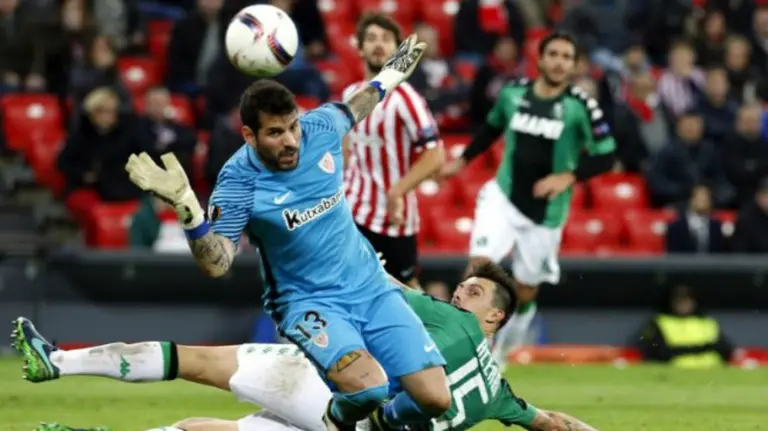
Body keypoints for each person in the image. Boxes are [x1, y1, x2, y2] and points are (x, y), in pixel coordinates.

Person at [123, 34, 451, 431]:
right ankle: (334, 426)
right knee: (367, 390)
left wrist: (391, 74)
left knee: (435, 399)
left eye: (293, 126)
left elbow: (360, 103)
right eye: (276, 133)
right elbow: (217, 263)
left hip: (370, 286)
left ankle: (378, 427)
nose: (292, 140)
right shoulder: (238, 182)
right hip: (309, 302)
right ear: (250, 136)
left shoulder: (321, 128)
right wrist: (189, 211)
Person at [13, 263, 598, 431]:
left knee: (197, 362)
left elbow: (387, 288)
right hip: (346, 424)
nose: (460, 291)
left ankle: (57, 361)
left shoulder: (446, 317)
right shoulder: (498, 393)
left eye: (474, 290)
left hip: (332, 390)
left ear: (494, 316)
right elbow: (549, 422)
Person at [440, 31, 616, 362]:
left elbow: (606, 154)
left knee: (526, 289)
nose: (559, 62)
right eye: (554, 54)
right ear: (540, 59)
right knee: (479, 267)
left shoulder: (582, 107)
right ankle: (459, 347)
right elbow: (491, 129)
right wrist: (462, 160)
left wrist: (567, 177)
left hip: (546, 213)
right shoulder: (512, 94)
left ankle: (502, 353)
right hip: (503, 196)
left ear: (574, 65)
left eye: (566, 57)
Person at [342, 13, 445, 288]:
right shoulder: (349, 94)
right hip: (352, 211)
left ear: (397, 51)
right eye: (372, 38)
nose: (378, 45)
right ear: (359, 46)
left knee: (406, 291)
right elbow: (347, 148)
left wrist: (397, 190)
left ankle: (437, 330)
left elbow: (435, 155)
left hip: (392, 219)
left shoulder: (406, 99)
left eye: (386, 40)